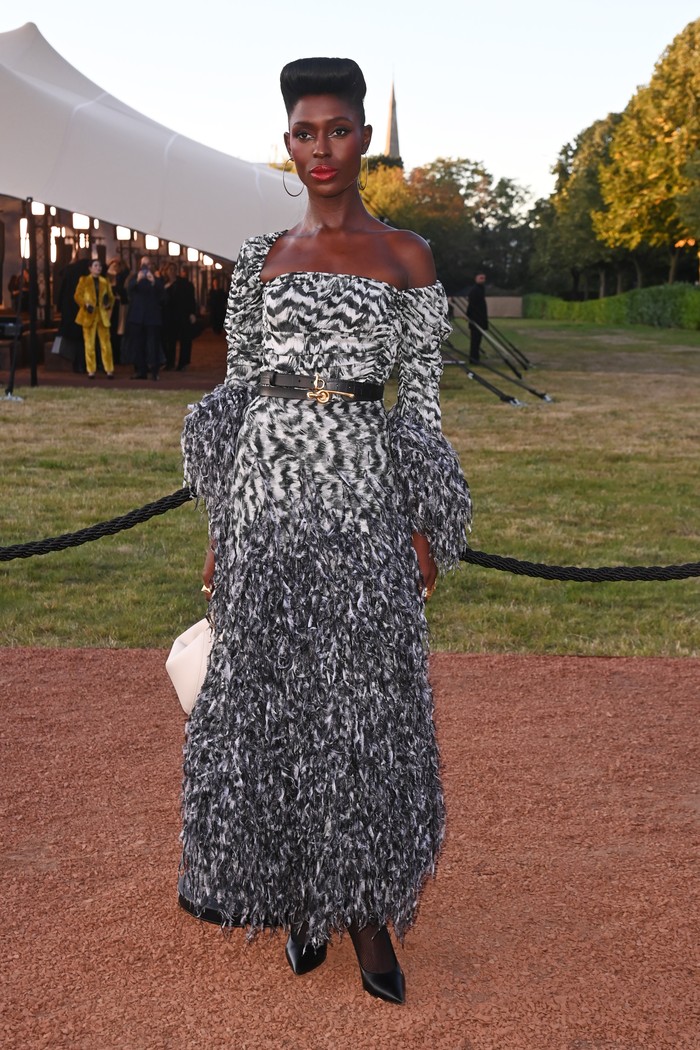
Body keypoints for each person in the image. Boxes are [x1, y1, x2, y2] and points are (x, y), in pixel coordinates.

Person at [178, 57, 472, 1006]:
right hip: (263, 500)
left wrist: (425, 520)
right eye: (305, 133)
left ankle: (368, 913)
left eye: (339, 129)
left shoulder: (407, 258)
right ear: (288, 143)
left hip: (360, 507)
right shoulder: (258, 262)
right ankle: (303, 895)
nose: (322, 149)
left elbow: (419, 408)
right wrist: (223, 523)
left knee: (363, 711)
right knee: (278, 708)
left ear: (364, 139)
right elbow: (231, 402)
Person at [74, 258, 115, 378]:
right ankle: (91, 370)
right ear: (90, 268)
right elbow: (77, 296)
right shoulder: (84, 280)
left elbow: (111, 298)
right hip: (89, 314)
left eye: (100, 266)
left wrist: (108, 303)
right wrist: (85, 304)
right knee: (89, 344)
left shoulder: (105, 281)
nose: (99, 268)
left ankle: (109, 369)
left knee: (106, 344)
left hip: (102, 315)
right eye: (96, 266)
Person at [126, 256, 164, 379]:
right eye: (143, 264)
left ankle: (154, 372)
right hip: (137, 317)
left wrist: (153, 282)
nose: (146, 267)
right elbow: (128, 290)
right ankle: (140, 371)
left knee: (153, 346)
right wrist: (137, 280)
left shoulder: (157, 280)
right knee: (138, 345)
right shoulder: (134, 279)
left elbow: (163, 297)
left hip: (152, 318)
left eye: (148, 265)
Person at [162, 263, 197, 370]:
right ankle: (169, 363)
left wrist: (192, 312)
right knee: (169, 341)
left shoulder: (184, 283)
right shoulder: (164, 284)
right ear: (166, 271)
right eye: (170, 269)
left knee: (184, 340)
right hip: (168, 316)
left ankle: (183, 363)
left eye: (173, 269)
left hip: (182, 314)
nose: (172, 271)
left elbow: (190, 299)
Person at [466, 273, 488, 364]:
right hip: (476, 320)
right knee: (475, 341)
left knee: (477, 341)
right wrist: (470, 317)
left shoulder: (480, 290)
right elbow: (471, 306)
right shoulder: (475, 290)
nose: (482, 279)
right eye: (480, 278)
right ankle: (473, 359)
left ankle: (475, 357)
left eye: (483, 278)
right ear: (476, 279)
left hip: (480, 319)